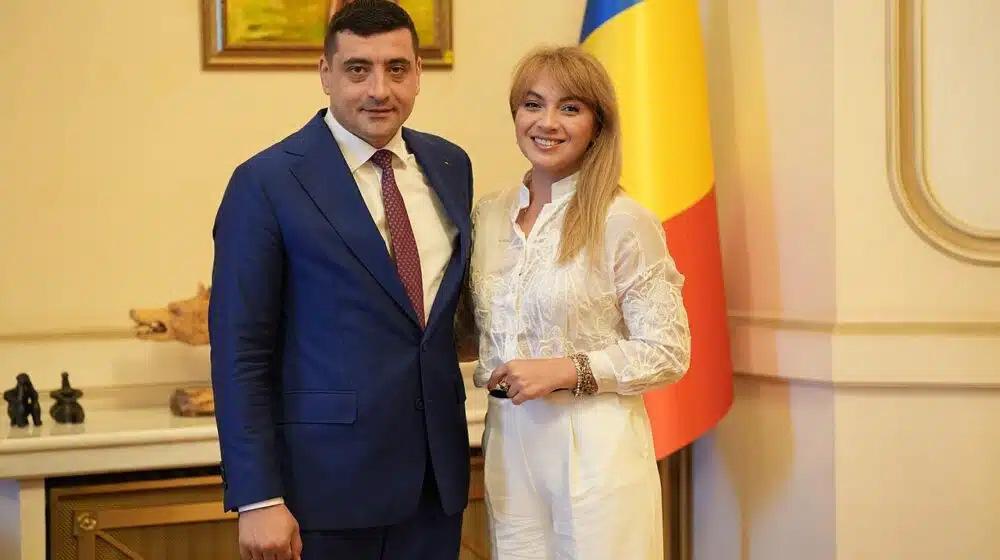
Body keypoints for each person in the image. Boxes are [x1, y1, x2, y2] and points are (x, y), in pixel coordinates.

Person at [208, 1, 474, 559]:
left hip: (437, 487)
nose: (379, 89)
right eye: (358, 69)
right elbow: (241, 352)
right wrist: (257, 496)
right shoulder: (266, 182)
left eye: (396, 68)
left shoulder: (451, 165)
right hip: (323, 493)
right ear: (326, 73)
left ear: (418, 73)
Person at [456, 46, 693, 559]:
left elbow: (668, 350)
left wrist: (566, 370)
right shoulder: (489, 214)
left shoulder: (623, 220)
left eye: (569, 108)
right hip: (508, 442)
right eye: (532, 104)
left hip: (596, 445)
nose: (547, 122)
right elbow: (476, 332)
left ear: (597, 123)